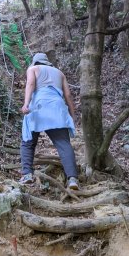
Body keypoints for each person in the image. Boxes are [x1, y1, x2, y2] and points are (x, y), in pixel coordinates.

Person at [20, 52, 79, 189]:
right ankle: (72, 179)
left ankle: (27, 174)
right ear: (47, 62)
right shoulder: (59, 73)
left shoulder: (33, 69)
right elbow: (68, 95)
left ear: (35, 62)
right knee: (64, 144)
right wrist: (72, 114)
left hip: (39, 107)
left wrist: (26, 104)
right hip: (57, 109)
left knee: (28, 141)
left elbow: (30, 84)